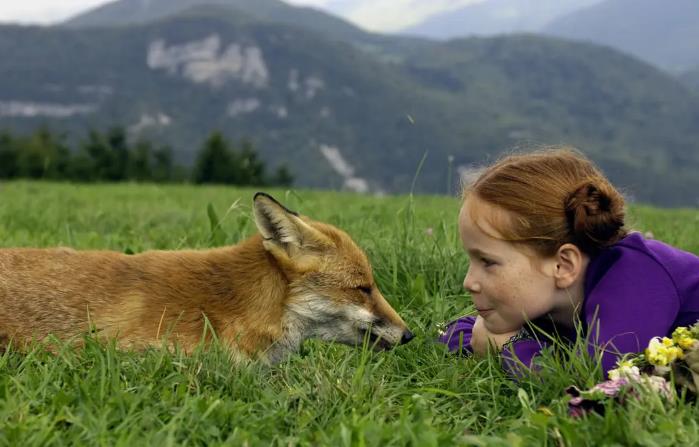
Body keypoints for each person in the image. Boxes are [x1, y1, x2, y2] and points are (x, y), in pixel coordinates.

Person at [438, 147, 699, 376]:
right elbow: (460, 331)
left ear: (563, 265)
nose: (468, 282)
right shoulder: (546, 300)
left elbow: (601, 375)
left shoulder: (635, 278)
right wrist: (487, 340)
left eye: (488, 262)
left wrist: (507, 349)